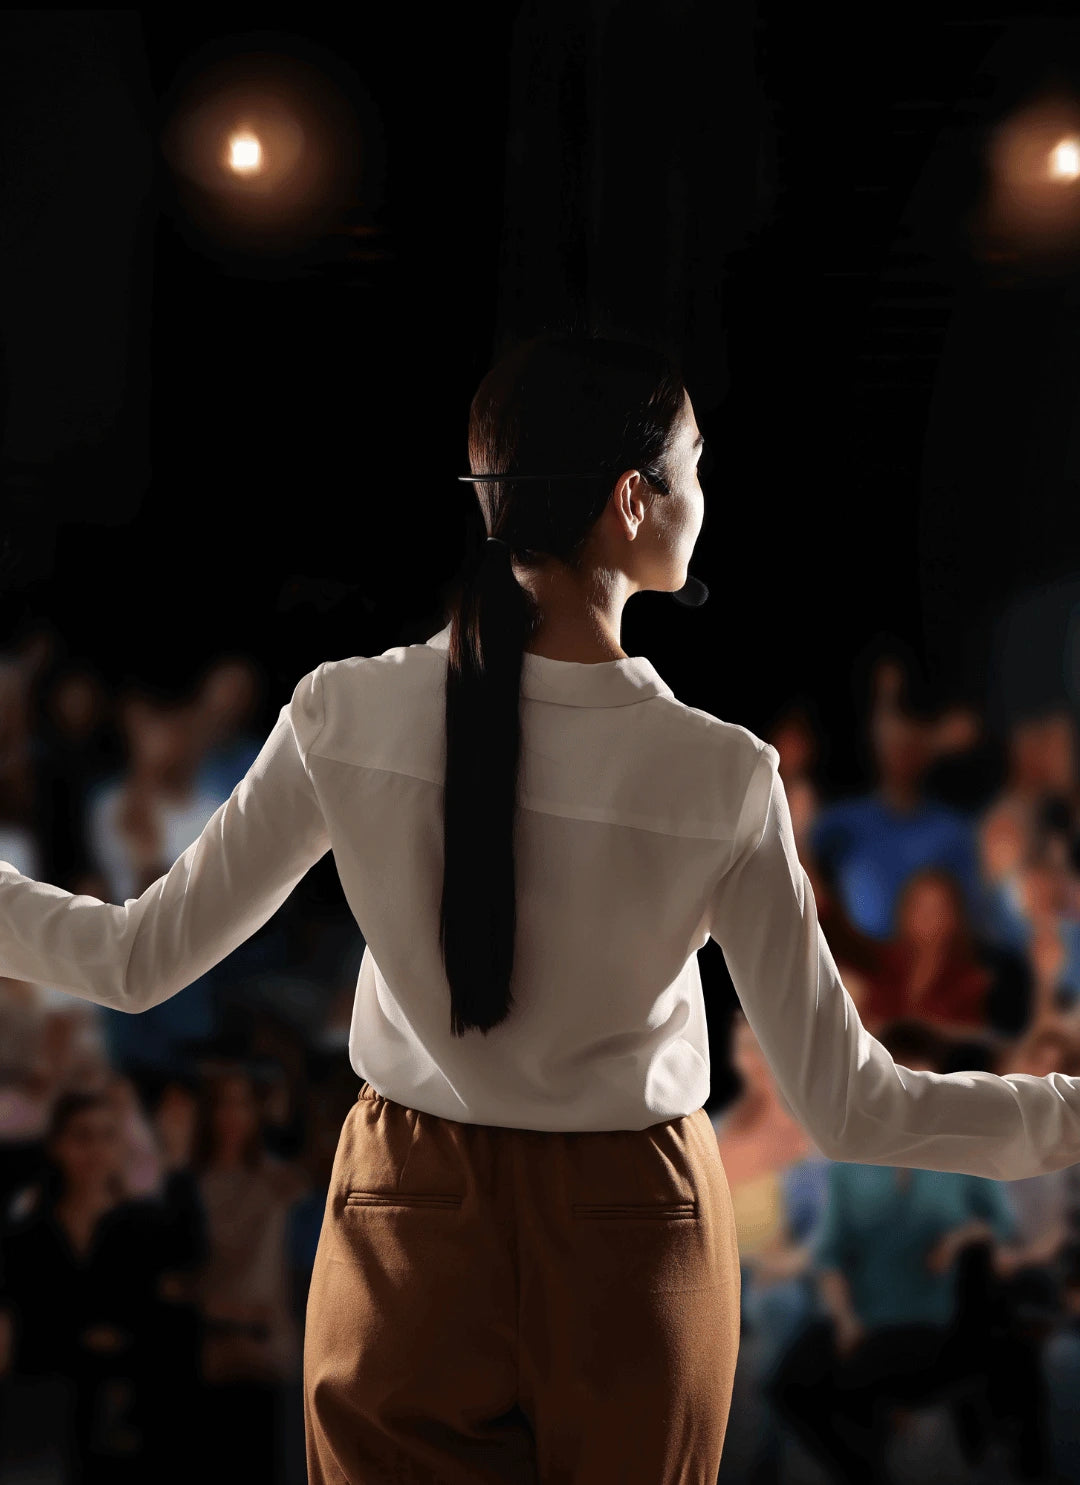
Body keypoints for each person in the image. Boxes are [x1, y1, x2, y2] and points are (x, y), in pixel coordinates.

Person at [6, 331, 1080, 1485]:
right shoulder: (720, 775)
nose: (705, 494)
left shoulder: (344, 714)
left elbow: (128, 962)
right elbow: (858, 1109)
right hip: (637, 1231)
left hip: (406, 1221)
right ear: (632, 500)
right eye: (697, 465)